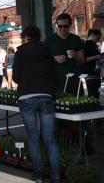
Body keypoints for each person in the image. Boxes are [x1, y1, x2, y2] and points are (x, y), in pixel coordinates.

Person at [13, 26, 61, 183]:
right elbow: (55, 74)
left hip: (26, 96)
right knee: (49, 139)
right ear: (39, 36)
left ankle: (38, 173)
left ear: (26, 36)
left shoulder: (20, 52)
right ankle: (55, 176)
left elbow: (16, 77)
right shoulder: (46, 51)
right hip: (46, 95)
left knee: (33, 137)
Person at [44, 13, 84, 94]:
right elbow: (42, 60)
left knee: (76, 104)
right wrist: (55, 58)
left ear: (70, 25)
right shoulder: (49, 40)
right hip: (56, 79)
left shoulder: (76, 39)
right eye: (60, 26)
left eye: (65, 26)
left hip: (74, 79)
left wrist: (75, 55)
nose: (62, 28)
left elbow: (82, 61)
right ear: (57, 25)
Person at [82, 28, 103, 97]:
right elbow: (83, 60)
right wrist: (96, 57)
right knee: (92, 95)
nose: (98, 40)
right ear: (92, 36)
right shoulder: (86, 45)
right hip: (89, 74)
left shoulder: (93, 45)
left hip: (95, 74)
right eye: (97, 38)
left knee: (96, 94)